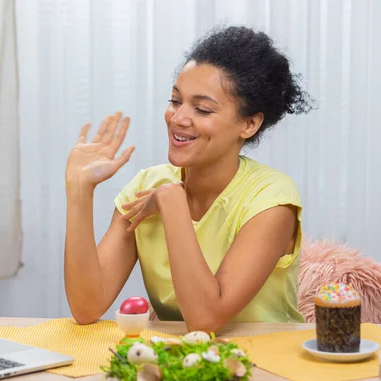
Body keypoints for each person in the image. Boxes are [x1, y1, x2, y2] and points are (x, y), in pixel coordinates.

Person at [63, 25, 313, 333]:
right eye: (175, 101)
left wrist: (172, 204)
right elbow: (87, 307)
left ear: (249, 124)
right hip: (180, 366)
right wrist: (79, 191)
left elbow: (206, 320)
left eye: (203, 109)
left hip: (270, 365)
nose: (179, 118)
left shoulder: (271, 198)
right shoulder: (145, 187)